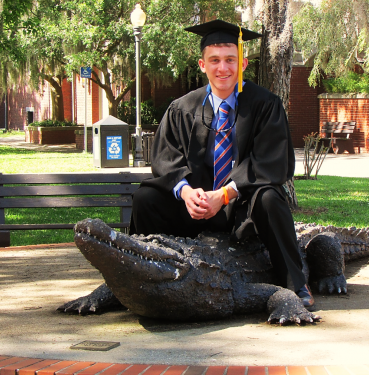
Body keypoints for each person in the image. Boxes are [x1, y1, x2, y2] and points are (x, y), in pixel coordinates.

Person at [129, 19, 314, 308]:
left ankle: (295, 285)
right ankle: (137, 276)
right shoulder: (182, 108)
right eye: (214, 60)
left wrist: (225, 194)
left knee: (270, 198)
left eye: (230, 59)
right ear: (202, 65)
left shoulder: (265, 105)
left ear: (244, 63)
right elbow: (166, 158)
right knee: (146, 198)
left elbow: (271, 162)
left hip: (242, 211)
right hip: (194, 210)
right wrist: (188, 193)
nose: (223, 68)